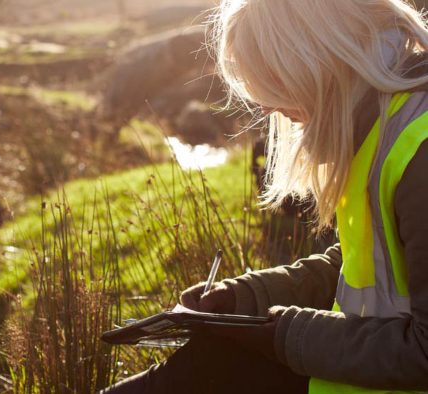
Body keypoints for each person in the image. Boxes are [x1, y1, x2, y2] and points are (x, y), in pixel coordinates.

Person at [101, 0, 428, 393]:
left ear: (313, 59)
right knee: (210, 358)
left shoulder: (418, 150)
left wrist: (285, 335)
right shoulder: (385, 124)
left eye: (272, 82)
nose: (267, 106)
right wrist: (247, 296)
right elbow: (372, 266)